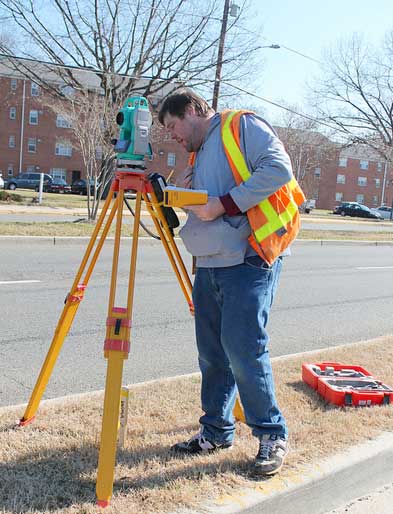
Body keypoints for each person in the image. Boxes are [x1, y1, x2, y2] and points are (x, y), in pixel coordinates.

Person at [158, 89, 301, 476]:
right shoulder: (197, 153)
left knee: (243, 350)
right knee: (212, 354)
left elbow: (277, 170)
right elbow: (199, 204)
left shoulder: (241, 125)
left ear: (191, 109)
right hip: (209, 263)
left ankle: (272, 434)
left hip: (249, 257)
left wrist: (223, 203)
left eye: (173, 126)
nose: (172, 136)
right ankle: (216, 431)